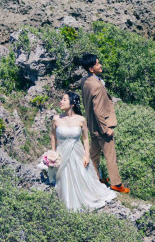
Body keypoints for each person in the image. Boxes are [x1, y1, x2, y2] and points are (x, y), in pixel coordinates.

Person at [50, 92, 117, 211]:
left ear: (72, 104)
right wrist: (53, 154)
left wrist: (86, 155)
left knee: (82, 175)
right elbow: (53, 137)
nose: (61, 101)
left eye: (64, 99)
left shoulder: (81, 120)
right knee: (64, 178)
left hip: (77, 152)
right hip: (62, 153)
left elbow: (85, 138)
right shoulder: (56, 119)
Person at [80, 53, 130, 193]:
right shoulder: (96, 86)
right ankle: (116, 184)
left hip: (92, 126)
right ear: (91, 69)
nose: (100, 65)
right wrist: (106, 128)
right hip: (101, 127)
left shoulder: (85, 81)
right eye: (97, 63)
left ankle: (95, 178)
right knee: (110, 156)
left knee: (94, 154)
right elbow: (98, 110)